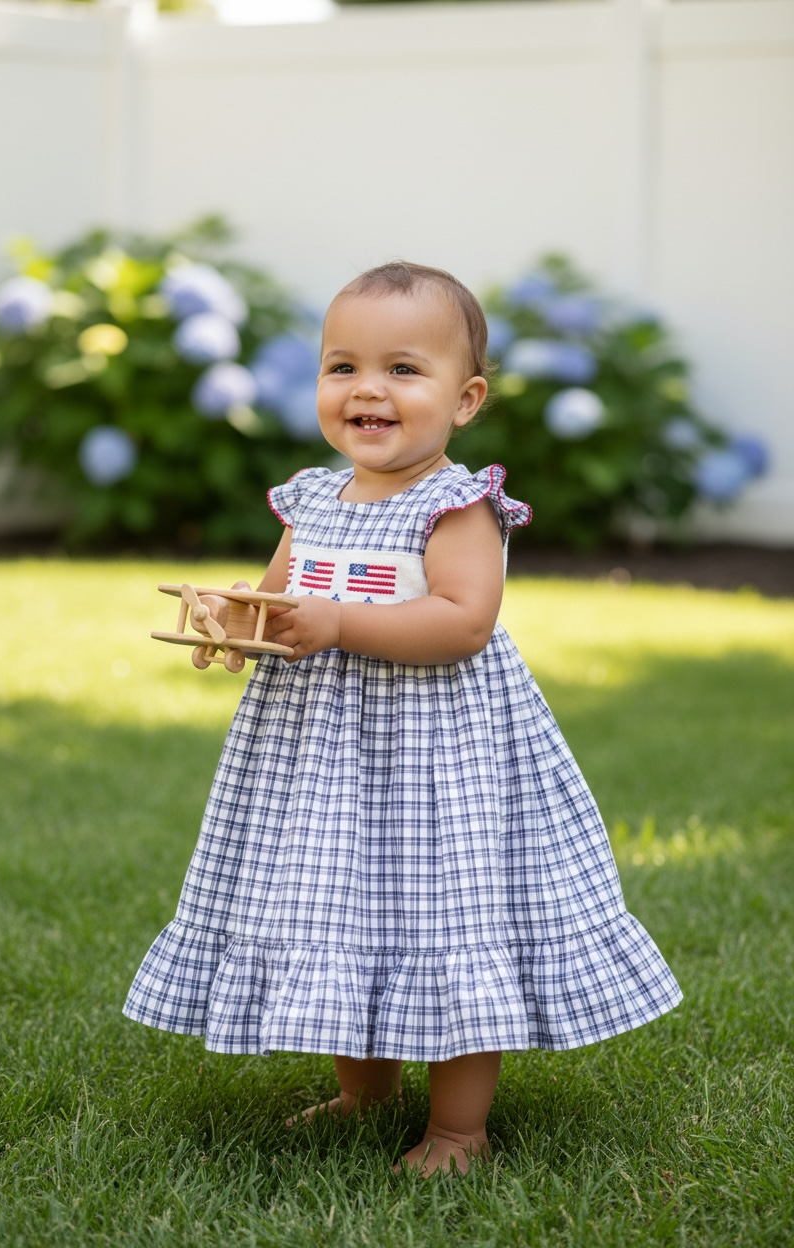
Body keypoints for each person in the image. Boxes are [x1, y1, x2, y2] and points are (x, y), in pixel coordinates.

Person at [124, 261, 682, 1177]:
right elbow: (278, 599)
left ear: (464, 400)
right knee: (348, 909)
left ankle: (460, 1129)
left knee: (444, 920)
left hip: (438, 763)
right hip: (324, 762)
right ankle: (362, 1090)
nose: (367, 389)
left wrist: (342, 623)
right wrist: (236, 622)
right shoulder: (311, 499)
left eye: (402, 370)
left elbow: (464, 622)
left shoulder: (455, 504)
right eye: (341, 367)